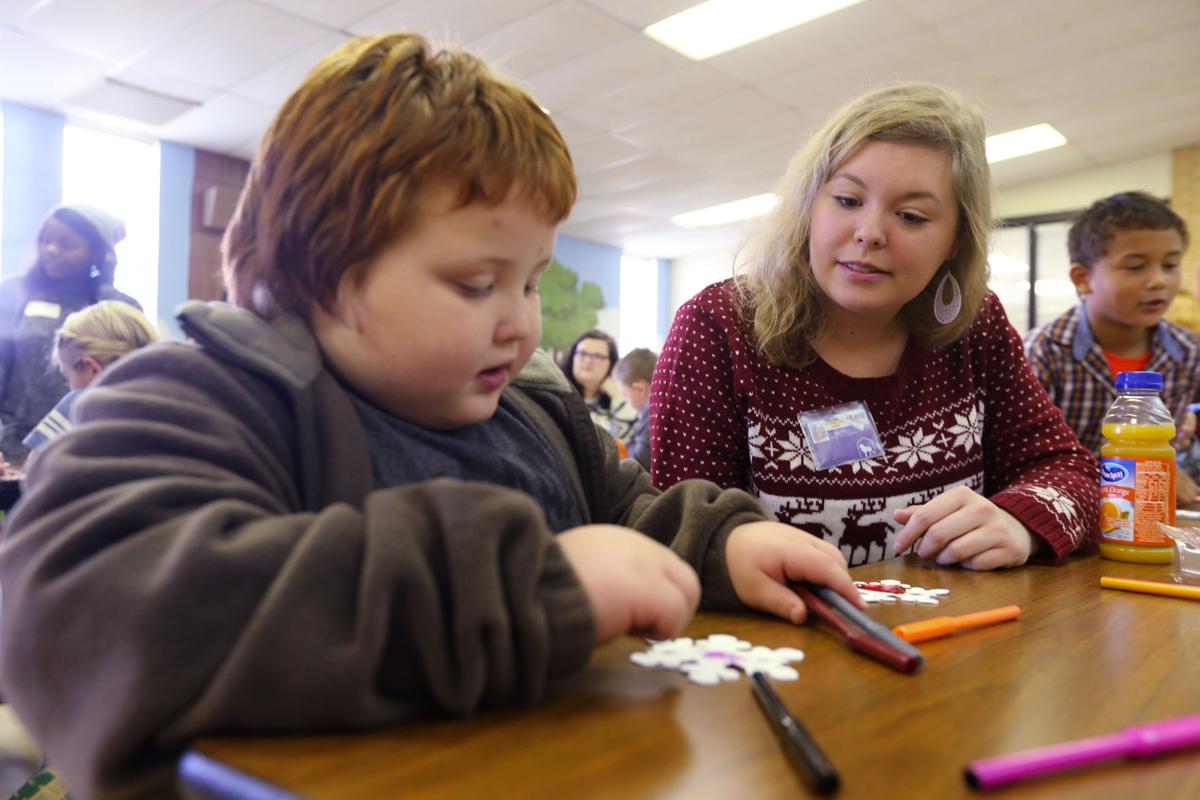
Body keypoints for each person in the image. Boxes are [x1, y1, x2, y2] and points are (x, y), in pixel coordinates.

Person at [0, 33, 862, 800]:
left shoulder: (535, 409)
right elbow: (83, 612)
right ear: (322, 272)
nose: (521, 323)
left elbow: (628, 516)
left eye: (530, 281)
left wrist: (718, 543)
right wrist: (516, 586)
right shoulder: (212, 399)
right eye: (476, 284)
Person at [651, 83, 1098, 570]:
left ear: (956, 240)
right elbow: (683, 534)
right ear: (808, 207)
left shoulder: (975, 324)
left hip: (964, 615)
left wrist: (1019, 521)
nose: (869, 233)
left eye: (911, 216)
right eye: (847, 200)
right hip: (785, 615)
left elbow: (1071, 472)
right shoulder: (718, 326)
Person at [1025, 191, 1200, 506]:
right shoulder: (1044, 352)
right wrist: (1131, 478)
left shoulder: (1187, 352)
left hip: (1144, 514)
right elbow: (1029, 463)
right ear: (1083, 278)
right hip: (1059, 509)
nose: (1159, 281)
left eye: (1171, 264)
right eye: (1136, 267)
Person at [0, 203, 139, 466]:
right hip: (11, 445)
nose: (51, 250)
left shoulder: (118, 306)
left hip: (85, 448)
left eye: (67, 244)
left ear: (97, 252)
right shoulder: (13, 292)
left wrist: (104, 281)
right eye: (46, 240)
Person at [22, 301, 159, 455]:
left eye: (68, 378)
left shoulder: (79, 405)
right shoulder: (170, 403)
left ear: (93, 368)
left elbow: (36, 465)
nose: (70, 387)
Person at [563, 329, 639, 440]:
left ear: (611, 363)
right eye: (583, 354)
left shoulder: (616, 401)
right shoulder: (558, 395)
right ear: (572, 357)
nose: (588, 361)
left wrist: (617, 395)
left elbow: (628, 440)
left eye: (598, 356)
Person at [613, 347, 657, 469]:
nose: (626, 401)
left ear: (640, 389)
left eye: (625, 395)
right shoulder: (649, 413)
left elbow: (639, 462)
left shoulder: (651, 415)